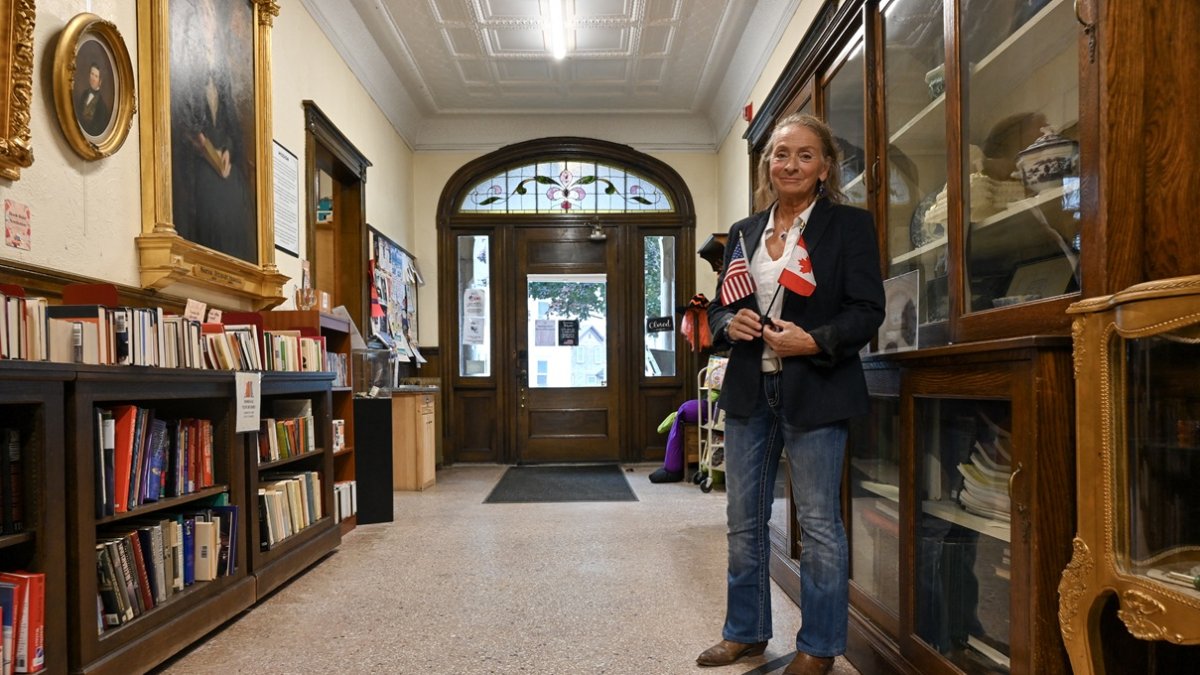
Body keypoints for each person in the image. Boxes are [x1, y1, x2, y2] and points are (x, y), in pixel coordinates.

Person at [696, 113, 885, 675]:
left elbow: (866, 311)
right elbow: (724, 305)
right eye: (781, 154)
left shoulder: (849, 227)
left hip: (819, 388)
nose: (791, 164)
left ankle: (820, 647)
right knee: (742, 518)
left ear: (824, 166)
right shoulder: (745, 231)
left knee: (821, 523)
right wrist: (731, 324)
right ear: (767, 164)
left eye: (805, 155)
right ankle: (746, 634)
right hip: (752, 390)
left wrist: (815, 340)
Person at [170, 0, 257, 263]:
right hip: (196, 160)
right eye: (203, 13)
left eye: (211, 14)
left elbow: (230, 123)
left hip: (221, 157)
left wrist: (228, 150)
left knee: (236, 196)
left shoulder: (221, 68)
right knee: (211, 195)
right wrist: (202, 143)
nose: (209, 20)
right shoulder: (185, 57)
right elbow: (181, 118)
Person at [75, 62, 111, 138]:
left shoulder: (101, 106)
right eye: (92, 74)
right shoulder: (84, 94)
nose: (93, 78)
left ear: (100, 81)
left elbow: (97, 131)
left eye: (96, 76)